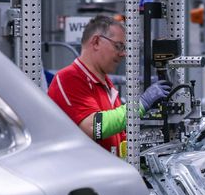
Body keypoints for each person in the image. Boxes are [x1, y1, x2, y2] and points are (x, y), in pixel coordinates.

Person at [48, 15, 170, 157]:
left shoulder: (106, 84)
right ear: (96, 42)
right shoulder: (69, 78)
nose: (123, 53)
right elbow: (94, 126)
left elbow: (118, 135)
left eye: (124, 48)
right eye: (118, 46)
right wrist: (141, 104)